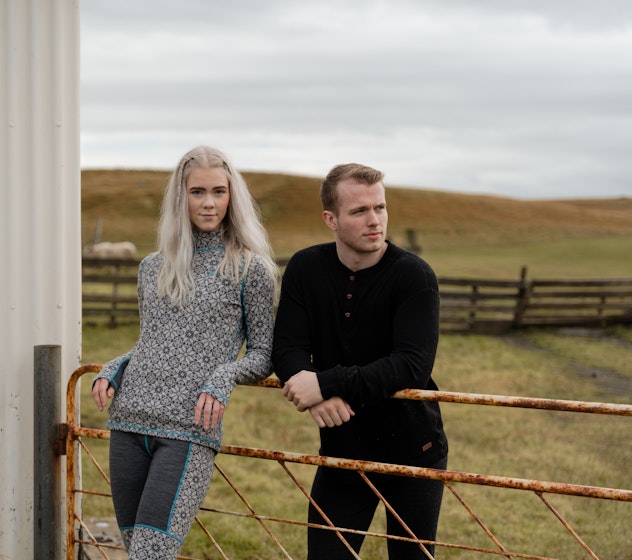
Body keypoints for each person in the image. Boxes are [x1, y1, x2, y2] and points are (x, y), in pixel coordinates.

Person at [91, 145, 277, 559]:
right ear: (181, 196)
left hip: (187, 432)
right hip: (128, 423)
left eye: (218, 192)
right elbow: (152, 341)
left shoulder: (250, 270)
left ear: (233, 196)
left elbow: (264, 353)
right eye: (197, 192)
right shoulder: (151, 267)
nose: (208, 203)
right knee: (135, 549)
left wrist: (224, 376)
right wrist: (116, 366)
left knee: (151, 554)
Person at [271, 162, 448, 558]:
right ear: (330, 219)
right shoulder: (305, 267)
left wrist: (325, 383)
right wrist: (317, 393)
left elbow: (410, 366)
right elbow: (286, 347)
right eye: (359, 211)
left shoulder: (414, 275)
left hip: (412, 451)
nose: (375, 220)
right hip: (342, 449)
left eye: (380, 208)